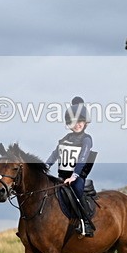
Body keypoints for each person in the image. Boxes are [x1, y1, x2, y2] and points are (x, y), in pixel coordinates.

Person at [46, 96, 95, 237]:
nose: (77, 124)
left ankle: (86, 223)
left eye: (80, 121)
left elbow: (83, 159)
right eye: (74, 122)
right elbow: (55, 154)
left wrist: (74, 176)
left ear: (85, 123)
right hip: (62, 177)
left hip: (76, 177)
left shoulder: (87, 139)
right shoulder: (66, 138)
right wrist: (43, 168)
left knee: (77, 192)